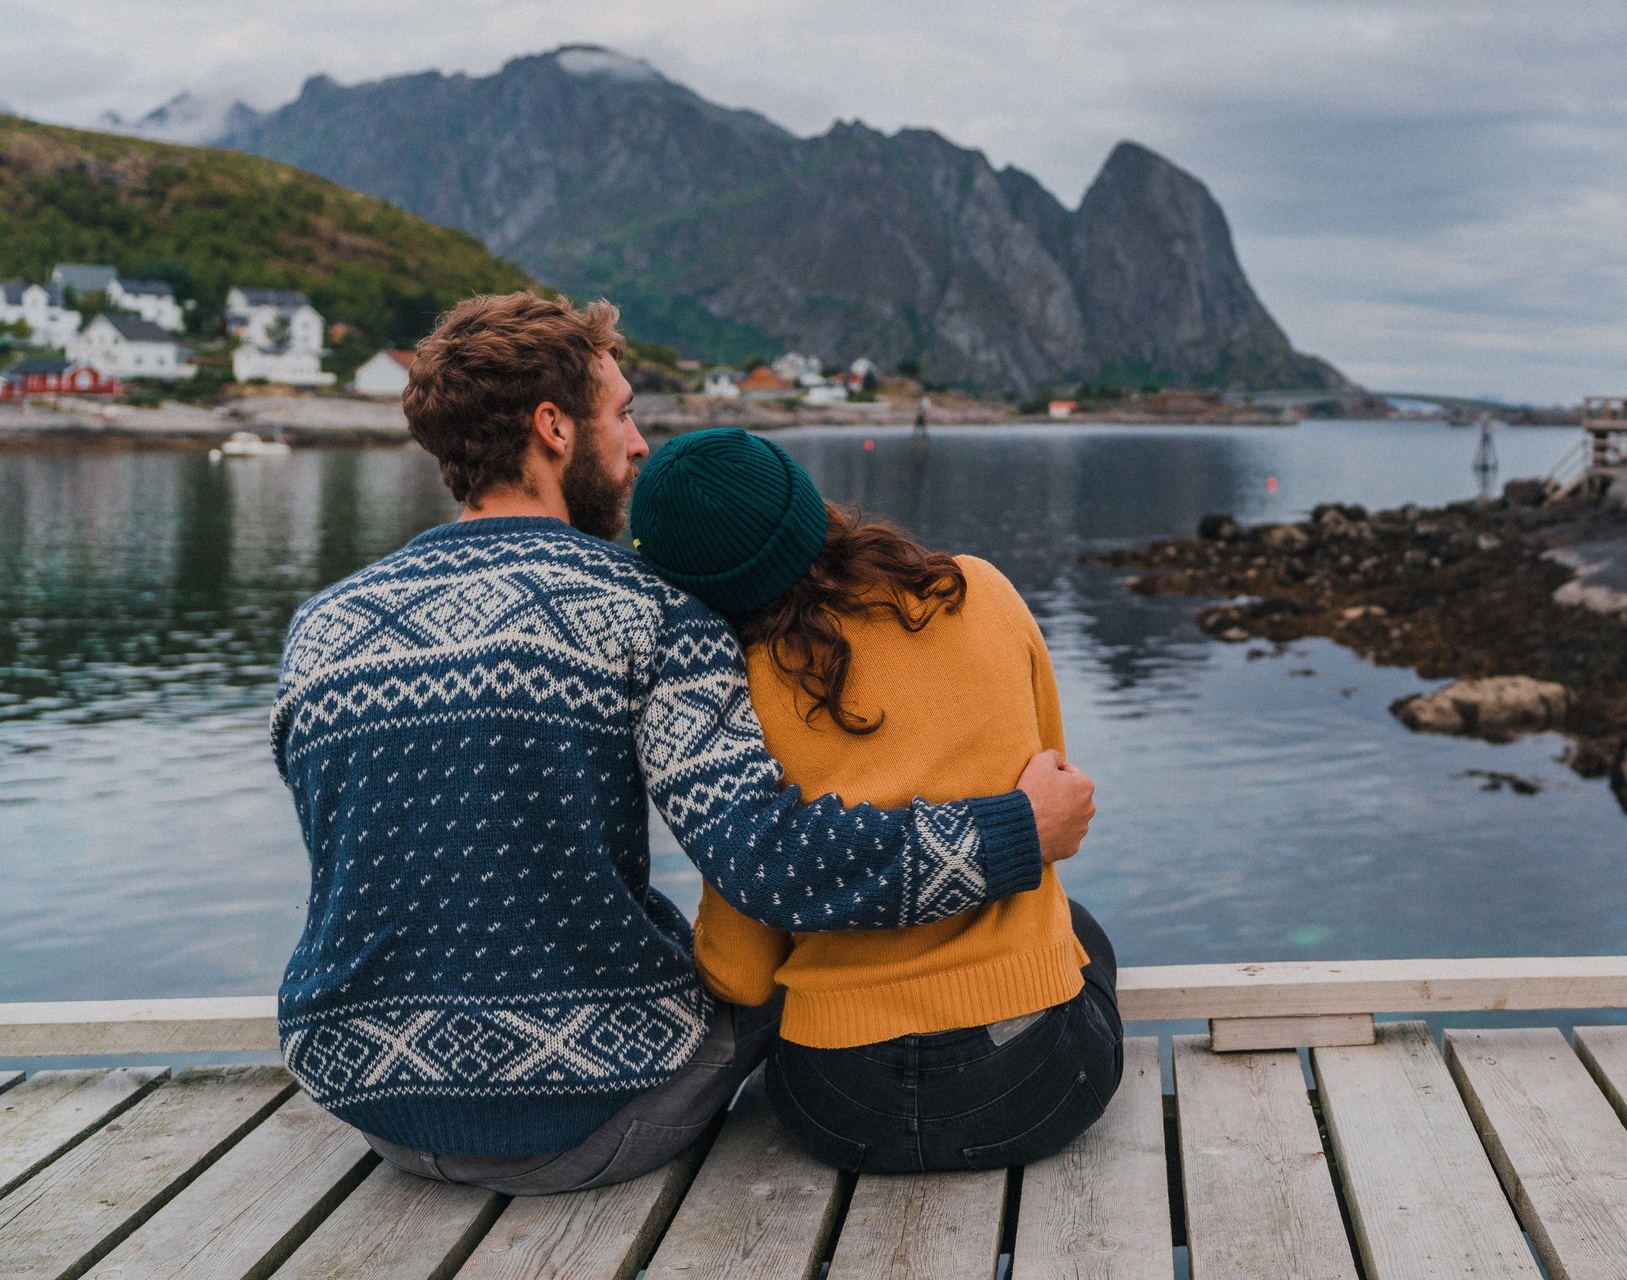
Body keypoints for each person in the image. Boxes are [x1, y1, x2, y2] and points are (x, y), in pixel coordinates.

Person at [268, 294, 1095, 1195]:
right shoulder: (652, 613)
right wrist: (1013, 832)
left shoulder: (322, 627)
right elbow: (771, 865)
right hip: (590, 1114)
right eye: (623, 414)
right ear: (553, 428)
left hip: (369, 1098)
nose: (637, 446)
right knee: (784, 962)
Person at [627, 427, 1121, 1172]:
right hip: (1038, 1083)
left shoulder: (735, 699)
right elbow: (1052, 788)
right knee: (1084, 933)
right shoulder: (979, 590)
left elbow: (744, 973)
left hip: (840, 1103)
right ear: (806, 500)